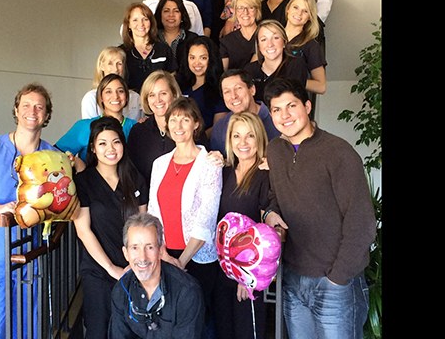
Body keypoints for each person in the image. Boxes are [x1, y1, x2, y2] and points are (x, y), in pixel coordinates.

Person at [262, 77, 376, 339]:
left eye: (291, 106)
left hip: (335, 282)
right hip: (292, 279)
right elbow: (275, 198)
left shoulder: (339, 153)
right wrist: (270, 214)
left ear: (307, 106)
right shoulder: (276, 151)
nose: (285, 115)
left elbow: (362, 222)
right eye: (277, 110)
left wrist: (337, 277)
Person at [0, 82, 62, 339]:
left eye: (39, 106)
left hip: (30, 258)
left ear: (46, 114)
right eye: (26, 105)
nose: (32, 111)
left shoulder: (52, 155)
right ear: (16, 110)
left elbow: (61, 201)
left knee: (28, 329)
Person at [147, 97, 223, 338]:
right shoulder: (159, 164)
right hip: (165, 254)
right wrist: (163, 253)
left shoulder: (209, 162)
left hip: (197, 258)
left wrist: (182, 262)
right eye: (173, 119)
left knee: (198, 324)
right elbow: (153, 212)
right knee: (168, 322)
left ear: (196, 125)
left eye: (185, 119)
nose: (178, 125)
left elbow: (206, 219)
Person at [71, 116, 148, 339]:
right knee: (98, 330)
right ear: (93, 148)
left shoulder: (135, 179)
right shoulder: (84, 181)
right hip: (98, 271)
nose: (110, 149)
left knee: (132, 331)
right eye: (102, 143)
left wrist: (137, 266)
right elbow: (83, 230)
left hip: (134, 269)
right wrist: (111, 268)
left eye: (116, 142)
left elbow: (142, 227)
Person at [214, 111, 271, 339]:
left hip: (249, 276)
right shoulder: (224, 172)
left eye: (249, 136)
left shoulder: (265, 174)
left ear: (259, 138)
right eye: (236, 136)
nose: (243, 143)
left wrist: (246, 278)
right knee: (224, 330)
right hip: (221, 270)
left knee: (247, 332)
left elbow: (265, 231)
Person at [109, 212, 205, 338]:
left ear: (160, 251)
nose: (142, 257)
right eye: (135, 248)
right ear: (126, 253)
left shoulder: (187, 292)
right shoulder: (121, 290)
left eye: (149, 247)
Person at [55, 73, 137, 171]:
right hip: (89, 184)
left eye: (120, 91)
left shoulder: (136, 127)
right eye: (108, 92)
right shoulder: (84, 127)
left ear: (127, 96)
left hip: (127, 183)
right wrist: (76, 162)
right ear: (101, 97)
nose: (115, 96)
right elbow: (55, 155)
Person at [244, 19, 326, 111]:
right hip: (257, 122)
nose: (270, 44)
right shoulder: (249, 70)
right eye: (263, 39)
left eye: (275, 38)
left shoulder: (296, 65)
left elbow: (289, 100)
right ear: (258, 46)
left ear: (284, 42)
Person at [127, 71, 182, 187]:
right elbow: (132, 174)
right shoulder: (138, 132)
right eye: (152, 95)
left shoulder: (187, 128)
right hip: (146, 202)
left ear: (174, 94)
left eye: (163, 93)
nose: (158, 100)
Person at [210, 69, 280, 157]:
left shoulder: (277, 118)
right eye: (227, 92)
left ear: (252, 90)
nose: (233, 96)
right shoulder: (220, 127)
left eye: (238, 88)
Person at [283, 0, 328, 119]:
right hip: (268, 101)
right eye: (296, 7)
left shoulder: (311, 45)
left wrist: (294, 79)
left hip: (293, 108)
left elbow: (321, 86)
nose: (299, 14)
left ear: (310, 17)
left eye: (305, 11)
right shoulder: (272, 36)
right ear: (288, 9)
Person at [175, 36, 229, 140]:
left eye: (203, 58)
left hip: (204, 145)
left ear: (212, 59)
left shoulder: (220, 88)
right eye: (192, 57)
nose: (197, 63)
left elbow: (218, 127)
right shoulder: (179, 84)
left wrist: (193, 140)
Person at [119, 2, 176, 93]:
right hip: (130, 103)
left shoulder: (163, 50)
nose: (141, 24)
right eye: (135, 20)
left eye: (145, 19)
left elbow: (172, 81)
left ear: (151, 22)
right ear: (128, 24)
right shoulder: (121, 52)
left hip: (158, 103)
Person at [81, 46, 142, 121]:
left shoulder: (135, 97)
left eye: (119, 63)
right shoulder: (91, 98)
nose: (115, 69)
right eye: (110, 63)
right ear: (101, 66)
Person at [219, 0, 261, 70]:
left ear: (257, 11)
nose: (245, 12)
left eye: (250, 7)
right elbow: (224, 73)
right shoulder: (227, 41)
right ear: (235, 12)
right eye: (240, 8)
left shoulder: (266, 36)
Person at [154, 0, 198, 67]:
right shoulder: (152, 39)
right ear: (159, 15)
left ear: (182, 16)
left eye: (176, 11)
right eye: (166, 11)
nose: (171, 15)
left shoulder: (193, 39)